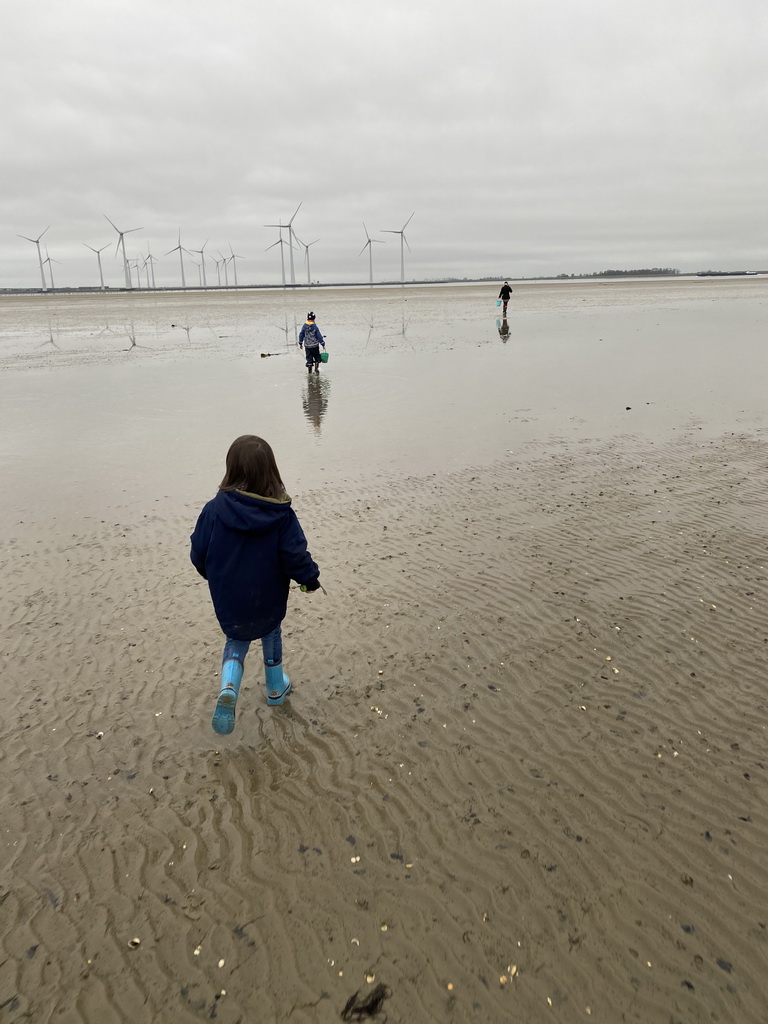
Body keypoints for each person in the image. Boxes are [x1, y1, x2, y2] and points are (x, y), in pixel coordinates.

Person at [190, 435, 321, 735]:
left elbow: (198, 552)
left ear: (231, 469)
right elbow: (295, 555)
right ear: (271, 471)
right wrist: (310, 579)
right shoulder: (281, 514)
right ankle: (276, 688)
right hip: (269, 597)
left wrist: (213, 575)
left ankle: (229, 687)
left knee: (236, 639)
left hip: (230, 599)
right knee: (270, 633)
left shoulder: (213, 510)